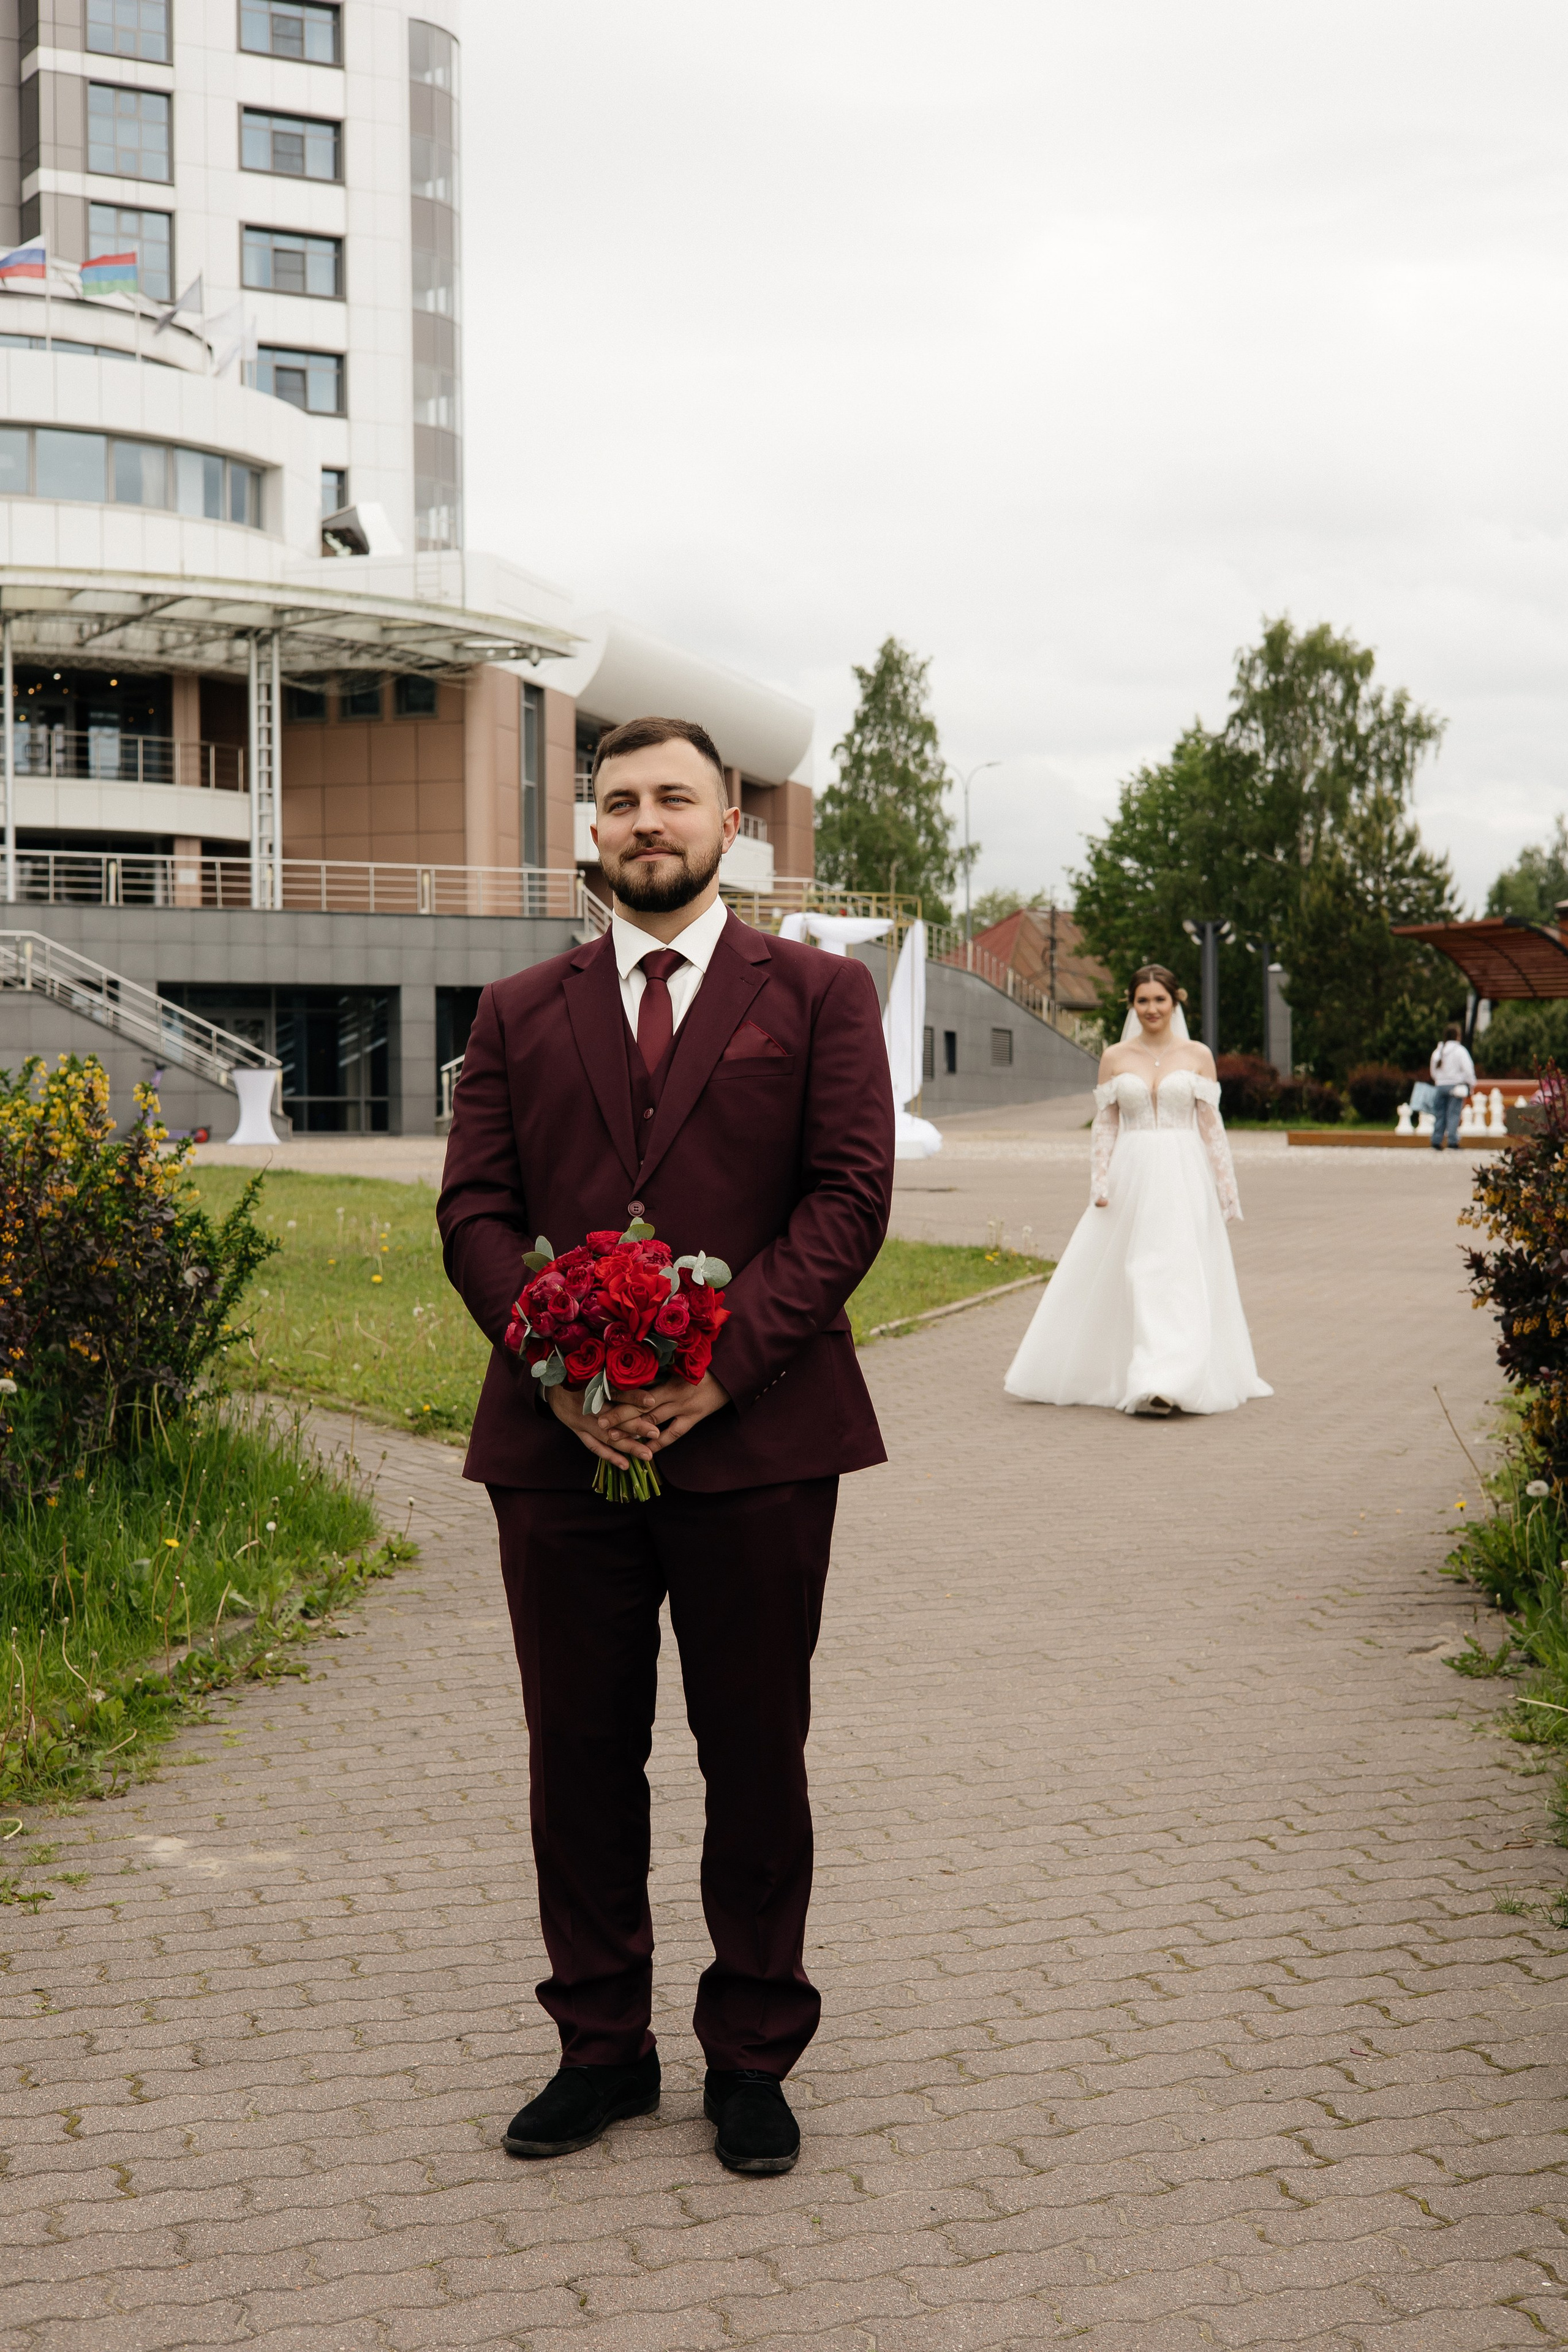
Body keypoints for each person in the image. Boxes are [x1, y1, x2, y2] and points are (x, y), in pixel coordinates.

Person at [437, 714, 894, 2178]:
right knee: (576, 1751)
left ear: (729, 823)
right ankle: (601, 2047)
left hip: (757, 1442)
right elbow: (475, 1214)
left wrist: (714, 1374)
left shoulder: (816, 993)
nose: (645, 820)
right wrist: (561, 1367)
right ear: (590, 829)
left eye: (672, 798)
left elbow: (844, 1198)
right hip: (552, 1445)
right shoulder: (516, 1008)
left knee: (754, 1748)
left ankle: (751, 2052)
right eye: (619, 800)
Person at [1004, 964, 1271, 1417]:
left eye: (1160, 1000)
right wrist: (1100, 1180)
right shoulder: (1115, 1057)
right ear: (1132, 1004)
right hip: (1131, 1175)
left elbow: (1212, 1127)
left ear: (1176, 1001)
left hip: (1184, 1176)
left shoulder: (1198, 1055)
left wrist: (1228, 1189)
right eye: (1143, 1000)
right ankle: (1142, 1373)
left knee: (1179, 1275)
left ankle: (1168, 1379)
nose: (1152, 1009)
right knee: (1137, 1272)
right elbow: (1106, 1125)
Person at [1430, 1022, 1476, 1152]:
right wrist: (1471, 1083)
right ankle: (1452, 1141)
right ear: (1457, 1036)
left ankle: (1436, 1140)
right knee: (1453, 1114)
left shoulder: (1438, 1051)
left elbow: (1433, 1072)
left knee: (1439, 1114)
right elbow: (1468, 1070)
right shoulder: (1460, 1051)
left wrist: (1440, 1080)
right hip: (1456, 1086)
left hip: (1440, 1086)